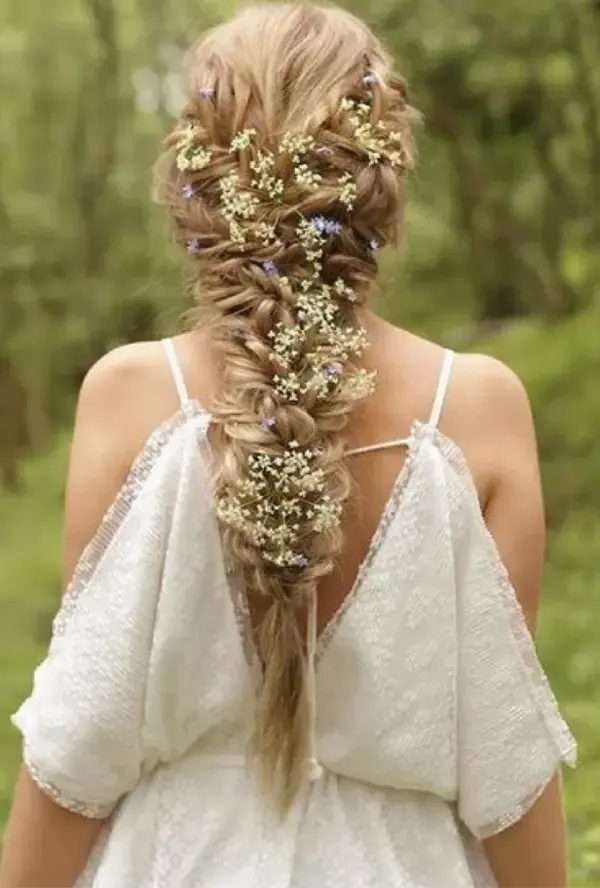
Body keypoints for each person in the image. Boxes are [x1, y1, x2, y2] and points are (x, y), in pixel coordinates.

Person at [0, 4, 576, 886]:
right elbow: (508, 763)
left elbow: (80, 747)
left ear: (199, 174)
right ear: (381, 170)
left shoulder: (129, 397)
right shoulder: (479, 409)